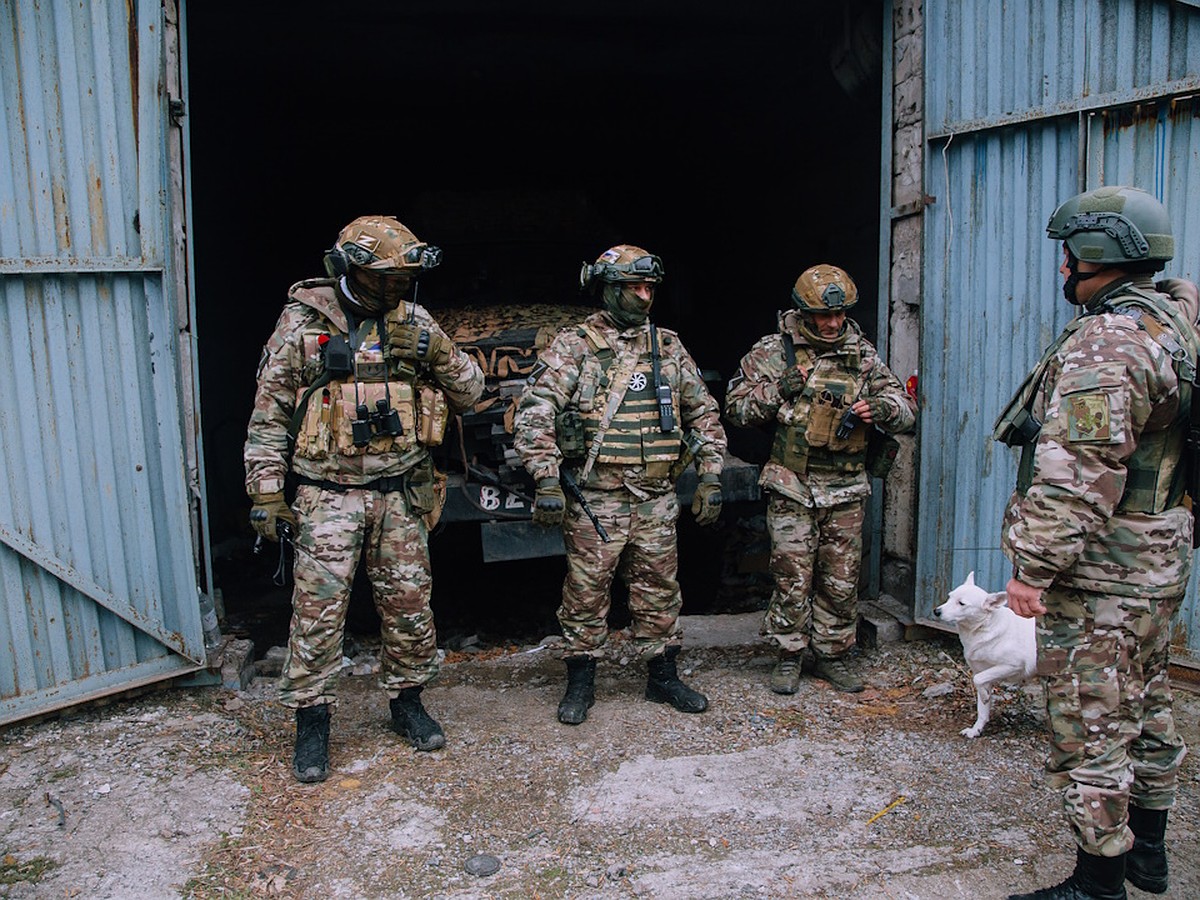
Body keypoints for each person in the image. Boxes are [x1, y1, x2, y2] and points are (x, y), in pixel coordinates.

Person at [996, 186, 1195, 900]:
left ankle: (1098, 882)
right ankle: (1149, 858)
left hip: (1105, 570)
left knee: (1091, 719)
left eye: (1070, 256)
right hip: (1156, 558)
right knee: (1145, 701)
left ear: (1099, 255)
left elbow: (1079, 470)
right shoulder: (1176, 320)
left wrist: (1033, 568)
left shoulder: (1112, 341)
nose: (1063, 271)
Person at [244, 215, 484, 782]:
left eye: (404, 279)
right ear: (348, 269)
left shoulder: (415, 321)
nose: (396, 289)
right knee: (317, 615)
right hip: (328, 496)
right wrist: (266, 491)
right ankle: (312, 722)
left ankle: (407, 703)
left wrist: (435, 350)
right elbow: (269, 415)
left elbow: (472, 394)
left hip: (400, 493)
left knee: (408, 608)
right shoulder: (303, 324)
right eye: (384, 279)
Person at [513, 244, 727, 724]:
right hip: (597, 498)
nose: (645, 296)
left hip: (655, 498)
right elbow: (535, 411)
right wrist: (546, 477)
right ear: (608, 289)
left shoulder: (668, 346)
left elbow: (703, 412)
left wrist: (711, 473)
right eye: (634, 287)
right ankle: (581, 679)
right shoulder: (575, 345)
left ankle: (663, 675)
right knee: (586, 592)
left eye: (650, 287)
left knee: (659, 590)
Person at [724, 265, 916, 694]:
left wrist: (880, 409)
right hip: (792, 483)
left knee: (841, 578)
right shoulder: (773, 351)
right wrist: (779, 389)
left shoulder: (862, 353)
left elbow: (905, 408)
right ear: (803, 311)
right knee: (792, 574)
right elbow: (735, 410)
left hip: (846, 487)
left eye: (840, 315)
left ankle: (832, 654)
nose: (832, 324)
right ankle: (789, 654)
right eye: (822, 316)